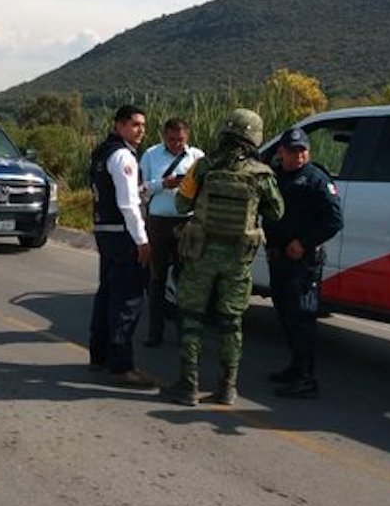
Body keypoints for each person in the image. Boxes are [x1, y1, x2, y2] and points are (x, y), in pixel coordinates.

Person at [159, 109, 284, 407]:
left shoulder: (202, 167)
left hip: (200, 254)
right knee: (231, 322)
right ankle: (227, 388)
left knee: (191, 317)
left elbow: (180, 204)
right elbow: (277, 212)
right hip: (238, 258)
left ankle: (187, 386)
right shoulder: (262, 174)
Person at [264, 127, 344, 399]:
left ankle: (306, 378)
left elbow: (334, 221)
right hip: (279, 258)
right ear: (281, 152)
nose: (298, 155)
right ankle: (295, 367)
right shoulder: (275, 177)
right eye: (293, 150)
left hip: (304, 261)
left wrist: (304, 242)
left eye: (303, 150)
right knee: (286, 315)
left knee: (302, 317)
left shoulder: (316, 180)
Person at [89, 104, 155, 388]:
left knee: (107, 295)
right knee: (127, 302)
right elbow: (128, 203)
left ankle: (99, 356)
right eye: (134, 124)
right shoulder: (122, 156)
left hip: (105, 231)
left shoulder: (103, 152)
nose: (140, 130)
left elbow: (129, 191)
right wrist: (142, 240)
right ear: (119, 126)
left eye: (142, 125)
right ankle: (121, 367)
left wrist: (157, 185)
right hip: (123, 235)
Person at [138, 118, 204, 347]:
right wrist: (162, 184)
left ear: (188, 137)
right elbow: (140, 189)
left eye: (180, 140)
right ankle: (155, 331)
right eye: (172, 139)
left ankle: (186, 333)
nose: (176, 144)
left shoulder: (197, 157)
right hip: (158, 223)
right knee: (156, 279)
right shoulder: (150, 155)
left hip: (186, 223)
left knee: (186, 279)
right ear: (164, 136)